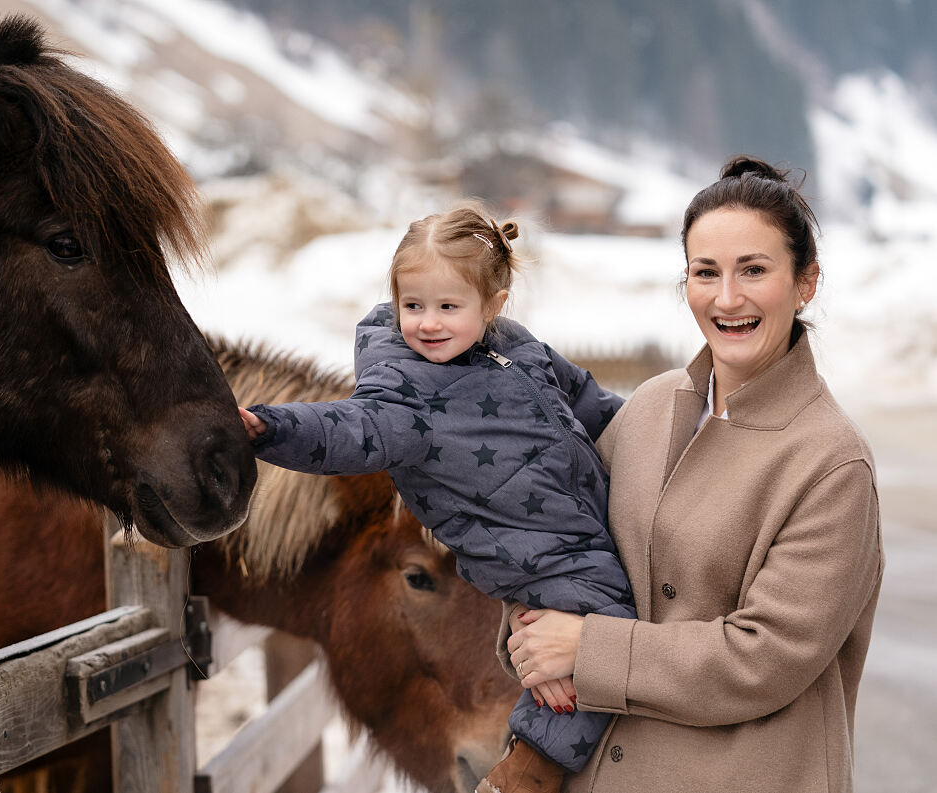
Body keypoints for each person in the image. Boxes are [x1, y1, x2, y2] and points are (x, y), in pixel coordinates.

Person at [504, 156, 883, 793]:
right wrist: (530, 627)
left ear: (806, 282)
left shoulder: (832, 463)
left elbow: (762, 658)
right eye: (705, 272)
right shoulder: (650, 407)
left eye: (754, 270)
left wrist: (587, 650)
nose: (726, 298)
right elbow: (563, 537)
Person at [239, 204, 635, 792]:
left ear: (493, 305)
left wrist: (643, 430)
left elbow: (586, 399)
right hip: (533, 554)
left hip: (574, 521)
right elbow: (347, 431)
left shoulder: (518, 348)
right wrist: (272, 429)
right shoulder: (404, 398)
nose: (427, 324)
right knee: (605, 641)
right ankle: (527, 773)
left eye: (448, 307)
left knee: (588, 647)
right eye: (413, 306)